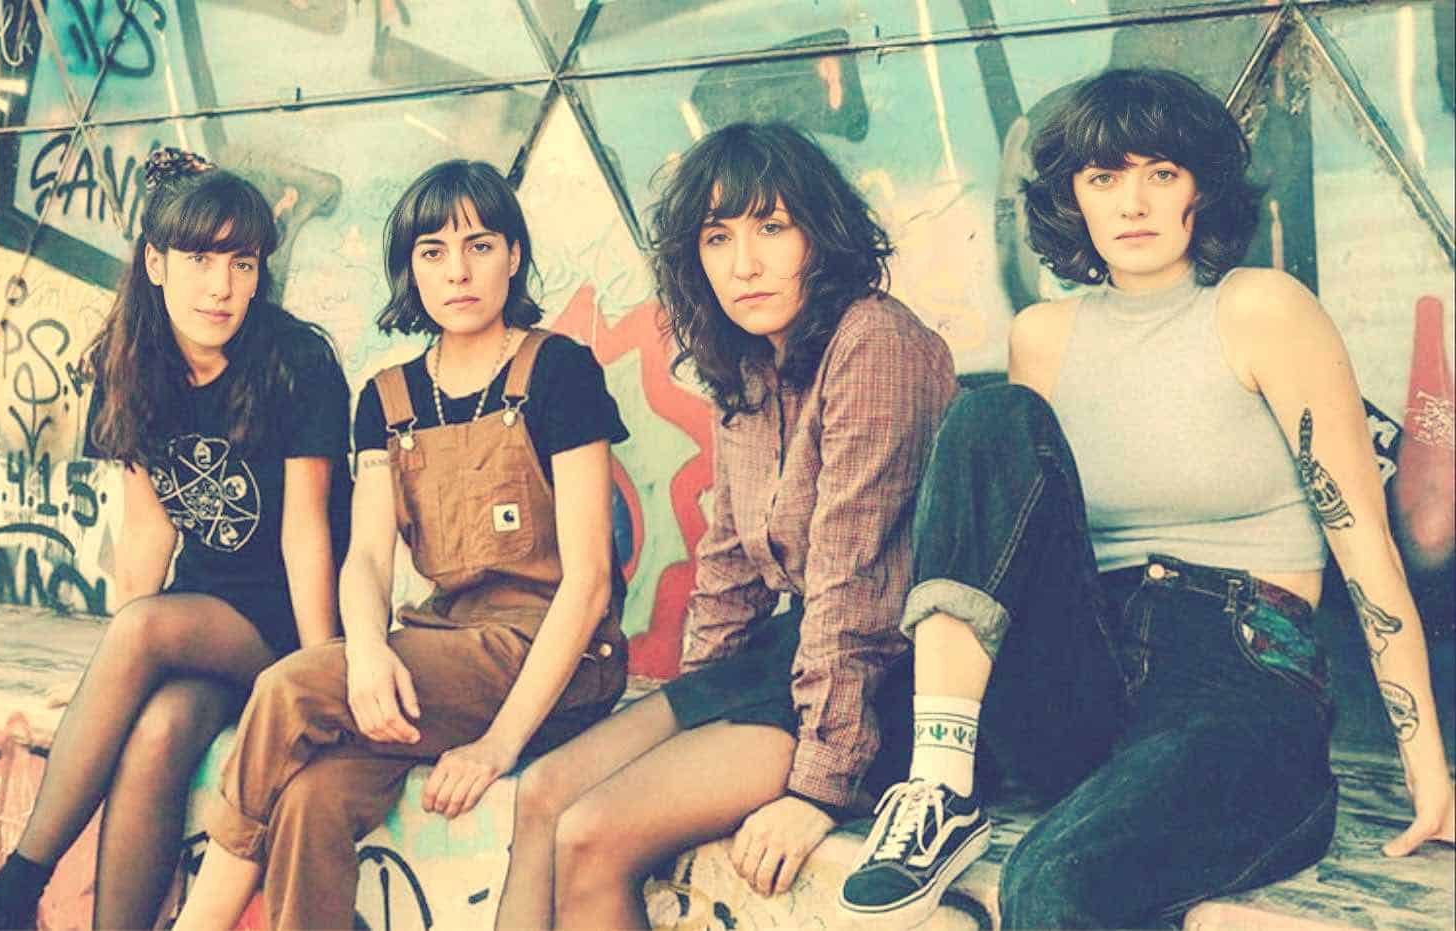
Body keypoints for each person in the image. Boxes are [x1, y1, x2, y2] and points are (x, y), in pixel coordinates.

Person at [838, 68, 1456, 928]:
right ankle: (939, 787)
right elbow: (1015, 546)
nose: (1132, 202)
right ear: (1073, 200)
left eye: (1160, 173)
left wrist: (1429, 766)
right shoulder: (1043, 335)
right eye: (1103, 178)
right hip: (1085, 668)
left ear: (1201, 185)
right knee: (990, 417)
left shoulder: (1262, 310)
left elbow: (1367, 552)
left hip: (1237, 673)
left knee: (1053, 883)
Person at [493, 122, 957, 930]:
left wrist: (823, 780)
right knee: (541, 794)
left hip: (887, 671)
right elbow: (732, 571)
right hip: (788, 654)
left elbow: (858, 577)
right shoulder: (750, 364)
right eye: (718, 237)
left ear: (822, 233)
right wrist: (692, 709)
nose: (743, 263)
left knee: (594, 835)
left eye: (771, 228)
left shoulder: (873, 341)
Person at [167, 159, 630, 930]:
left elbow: (588, 582)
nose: (458, 272)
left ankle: (196, 923)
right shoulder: (386, 398)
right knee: (312, 797)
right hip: (443, 645)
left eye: (480, 246)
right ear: (408, 269)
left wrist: (497, 746)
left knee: (285, 687)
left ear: (514, 255)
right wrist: (367, 649)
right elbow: (369, 557)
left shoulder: (560, 371)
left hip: (556, 655)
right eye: (433, 252)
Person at [0, 148, 352, 930]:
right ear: (155, 263)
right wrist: (114, 681)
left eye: (242, 261)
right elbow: (146, 530)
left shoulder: (297, 362)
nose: (222, 285)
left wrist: (319, 672)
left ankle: (13, 894)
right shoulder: (133, 366)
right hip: (197, 624)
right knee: (158, 730)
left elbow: (309, 530)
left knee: (144, 625)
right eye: (200, 259)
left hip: (285, 628)